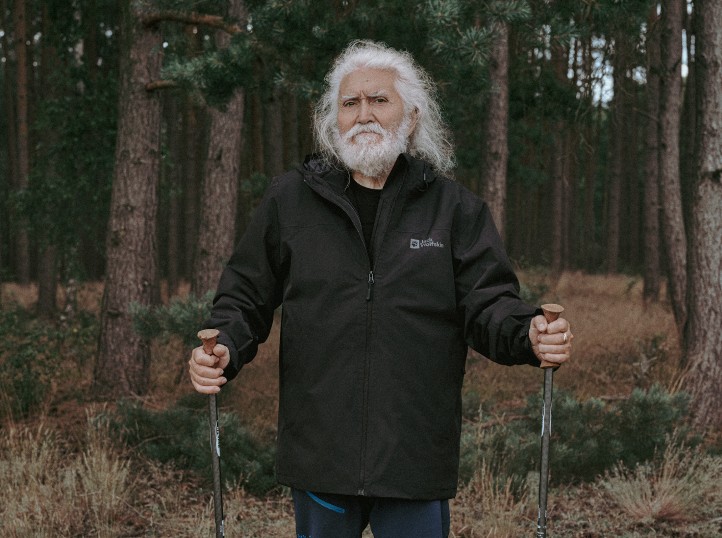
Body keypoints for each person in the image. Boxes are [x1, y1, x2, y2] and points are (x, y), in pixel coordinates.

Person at [189, 39, 573, 538]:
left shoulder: (454, 210)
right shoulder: (291, 202)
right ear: (334, 121)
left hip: (413, 455)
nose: (363, 114)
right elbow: (244, 297)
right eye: (350, 103)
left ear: (411, 116)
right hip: (320, 453)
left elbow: (489, 304)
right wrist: (223, 348)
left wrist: (529, 335)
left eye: (379, 100)